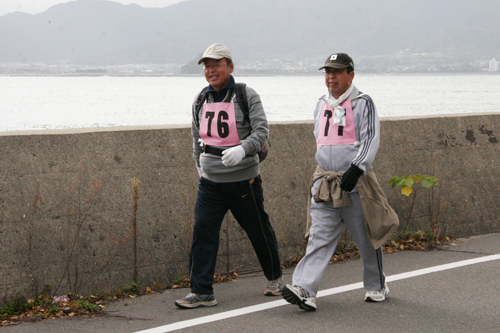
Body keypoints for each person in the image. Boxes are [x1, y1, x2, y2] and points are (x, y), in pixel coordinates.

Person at [282, 53, 397, 311]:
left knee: (366, 237)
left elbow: (370, 138)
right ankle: (305, 289)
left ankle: (376, 285)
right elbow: (318, 138)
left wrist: (357, 169)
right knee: (319, 236)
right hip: (325, 181)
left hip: (355, 181)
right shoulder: (321, 104)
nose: (331, 77)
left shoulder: (363, 102)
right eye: (327, 72)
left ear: (350, 75)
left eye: (337, 71)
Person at [175, 43, 282, 309]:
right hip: (210, 183)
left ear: (230, 67)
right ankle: (202, 292)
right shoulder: (201, 99)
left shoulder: (247, 95)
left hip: (242, 179)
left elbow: (262, 132)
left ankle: (275, 278)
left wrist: (243, 149)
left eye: (216, 65)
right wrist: (198, 165)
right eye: (207, 66)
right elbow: (195, 138)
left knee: (257, 229)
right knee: (203, 233)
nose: (211, 70)